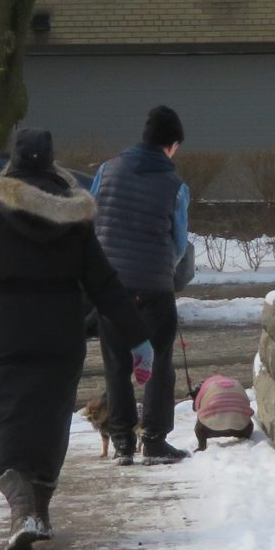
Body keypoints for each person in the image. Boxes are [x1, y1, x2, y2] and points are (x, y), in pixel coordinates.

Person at [0, 127, 150, 550]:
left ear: (14, 162)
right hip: (58, 334)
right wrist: (137, 339)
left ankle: (23, 511)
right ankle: (39, 511)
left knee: (2, 423)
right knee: (48, 427)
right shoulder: (74, 220)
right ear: (51, 162)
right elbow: (104, 283)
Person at [92, 105, 192, 464]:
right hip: (153, 286)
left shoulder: (106, 171)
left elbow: (91, 222)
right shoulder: (176, 186)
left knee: (116, 360)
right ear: (171, 145)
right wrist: (167, 268)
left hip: (111, 285)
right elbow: (178, 243)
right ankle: (153, 440)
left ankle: (122, 443)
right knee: (160, 360)